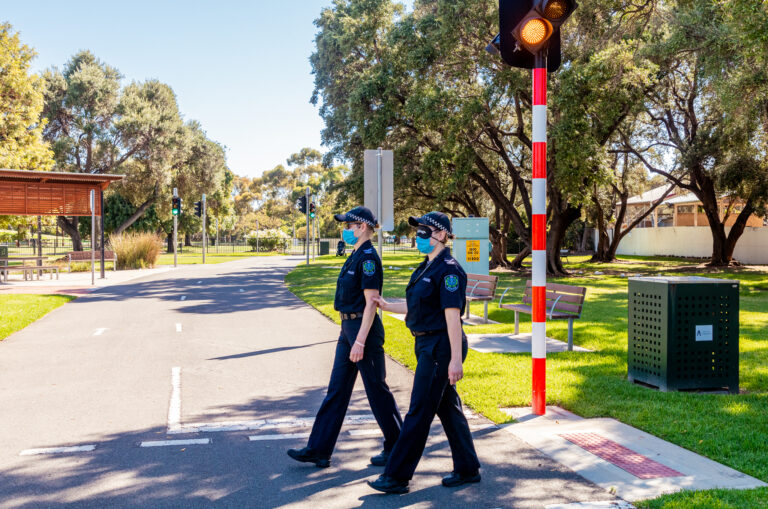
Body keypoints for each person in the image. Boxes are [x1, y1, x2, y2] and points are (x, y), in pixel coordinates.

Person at [368, 211, 480, 494]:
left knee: (419, 409)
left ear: (441, 235)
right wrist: (385, 305)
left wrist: (455, 360)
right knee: (448, 408)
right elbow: (415, 306)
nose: (418, 236)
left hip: (441, 347)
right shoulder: (425, 267)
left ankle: (396, 476)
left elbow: (452, 317)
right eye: (417, 232)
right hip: (426, 345)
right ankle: (468, 469)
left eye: (424, 232)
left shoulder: (450, 270)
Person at [287, 206, 402, 469]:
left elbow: (371, 303)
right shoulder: (354, 255)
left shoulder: (369, 258)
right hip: (347, 330)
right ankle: (319, 449)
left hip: (364, 332)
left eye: (349, 226)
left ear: (362, 227)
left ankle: (398, 446)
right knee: (337, 390)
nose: (346, 230)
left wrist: (360, 341)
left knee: (377, 392)